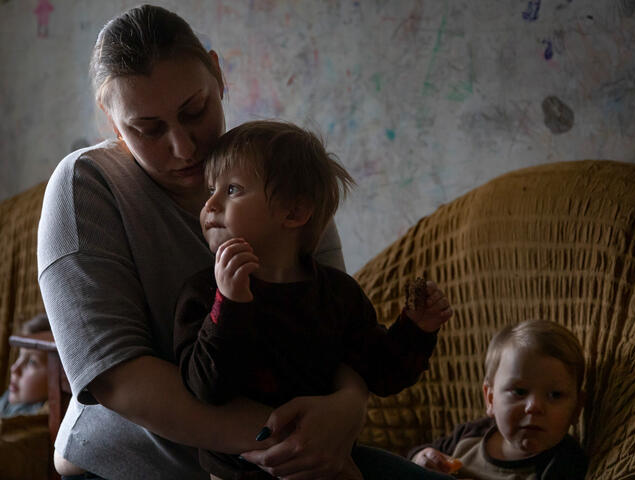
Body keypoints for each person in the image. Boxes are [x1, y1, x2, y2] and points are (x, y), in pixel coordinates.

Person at [37, 5, 382, 480]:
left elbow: (338, 325)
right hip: (130, 467)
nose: (184, 147)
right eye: (148, 129)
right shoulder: (86, 186)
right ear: (112, 121)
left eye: (194, 111)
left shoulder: (276, 177)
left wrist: (347, 408)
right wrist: (292, 439)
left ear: (218, 73)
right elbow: (118, 379)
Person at [173, 120, 454, 479]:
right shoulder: (203, 293)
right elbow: (204, 389)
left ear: (294, 213)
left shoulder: (337, 295)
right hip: (239, 472)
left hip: (327, 465)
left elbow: (381, 374)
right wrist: (229, 304)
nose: (210, 204)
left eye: (232, 189)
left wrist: (416, 329)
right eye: (211, 189)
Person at [408, 319, 588, 480]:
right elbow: (415, 459)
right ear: (490, 398)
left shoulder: (565, 462)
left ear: (577, 408)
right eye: (519, 391)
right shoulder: (471, 434)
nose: (534, 407)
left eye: (554, 395)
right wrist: (422, 459)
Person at [0, 313, 50, 418]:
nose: (14, 368)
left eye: (32, 362)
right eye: (19, 356)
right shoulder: (9, 396)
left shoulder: (38, 418)